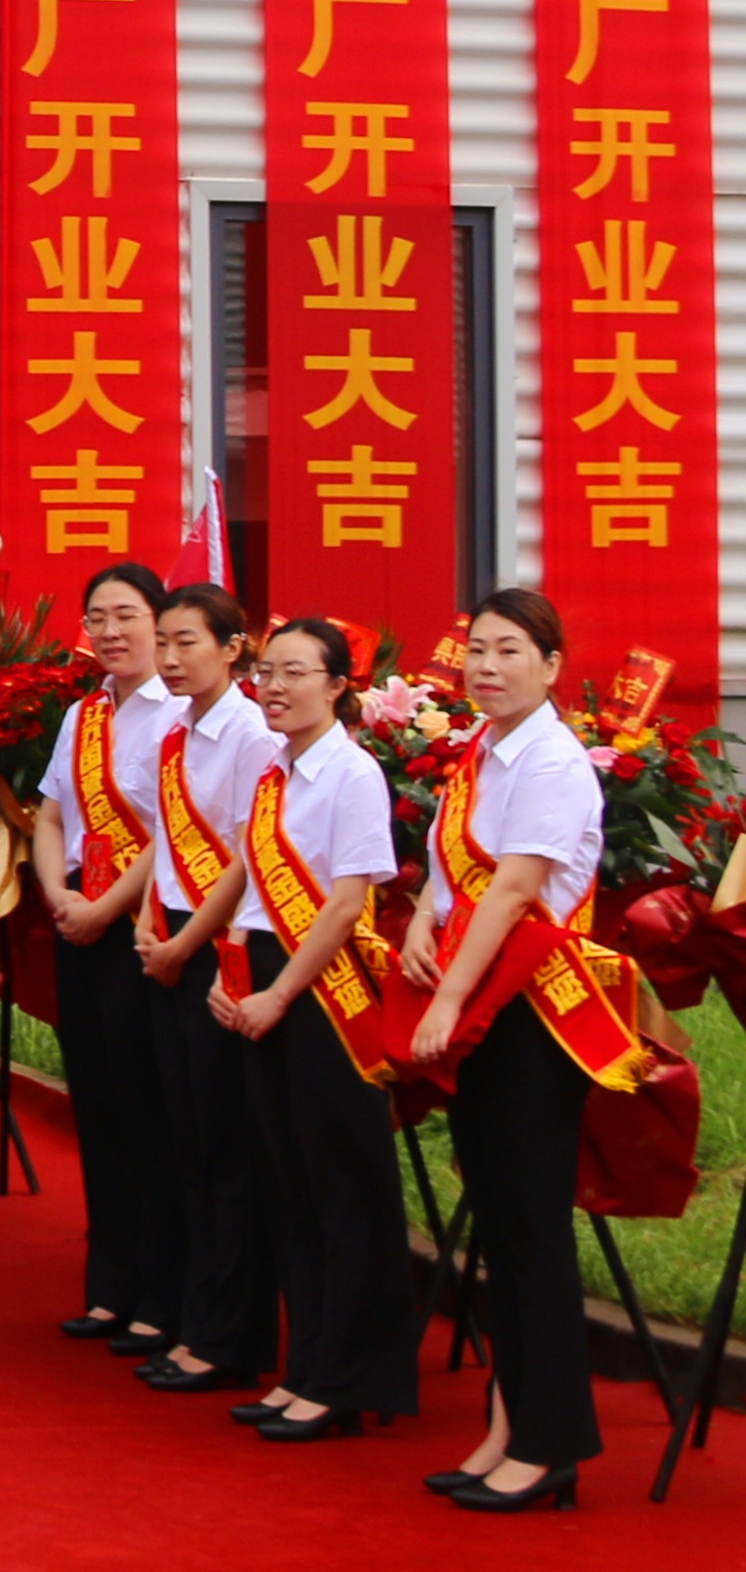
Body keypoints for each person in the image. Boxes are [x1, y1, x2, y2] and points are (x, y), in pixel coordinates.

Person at [406, 586, 629, 1510]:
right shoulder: (480, 753)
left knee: (531, 1229)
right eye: (476, 650)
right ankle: (506, 1425)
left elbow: (511, 889)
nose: (486, 667)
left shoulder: (553, 761)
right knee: (495, 1223)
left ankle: (549, 1446)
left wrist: (446, 1000)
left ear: (550, 665)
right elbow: (448, 878)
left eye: (508, 651)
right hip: (480, 1006)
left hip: (531, 1011)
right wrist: (418, 920)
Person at [214, 615, 416, 1445]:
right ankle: (305, 1367)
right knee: (287, 1182)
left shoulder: (352, 772)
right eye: (266, 671)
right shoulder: (273, 771)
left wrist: (277, 995)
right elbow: (254, 888)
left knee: (341, 1187)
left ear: (336, 686)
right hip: (266, 978)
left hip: (324, 991)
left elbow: (344, 905)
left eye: (293, 672)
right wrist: (235, 979)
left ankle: (348, 1377)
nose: (272, 685)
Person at [27, 559, 183, 1355]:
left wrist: (101, 907)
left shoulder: (178, 713)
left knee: (146, 1108)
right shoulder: (82, 716)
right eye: (97, 618)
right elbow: (50, 812)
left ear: (160, 624)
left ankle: (161, 1292)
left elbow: (176, 832)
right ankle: (109, 1286)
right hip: (77, 920)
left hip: (144, 929)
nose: (111, 631)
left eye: (126, 616)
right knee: (96, 1104)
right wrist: (54, 891)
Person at [132, 582, 276, 1399]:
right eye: (163, 641)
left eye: (186, 641)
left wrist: (184, 945)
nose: (170, 657)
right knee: (184, 1138)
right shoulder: (174, 733)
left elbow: (249, 859)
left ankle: (230, 1335)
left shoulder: (251, 736)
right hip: (169, 940)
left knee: (225, 1147)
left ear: (231, 647)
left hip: (218, 947)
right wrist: (145, 925)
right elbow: (163, 839)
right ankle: (195, 1317)